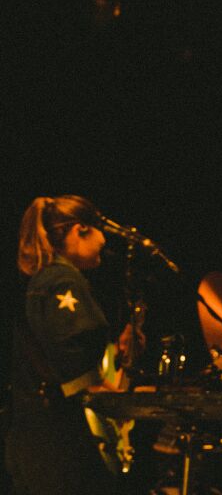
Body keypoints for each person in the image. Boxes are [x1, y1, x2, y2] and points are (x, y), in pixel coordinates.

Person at [6, 195, 138, 495]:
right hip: (57, 444)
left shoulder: (43, 281)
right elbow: (73, 363)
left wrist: (113, 352)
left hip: (32, 438)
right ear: (80, 230)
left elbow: (53, 352)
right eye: (99, 230)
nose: (104, 240)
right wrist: (124, 399)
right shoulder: (64, 281)